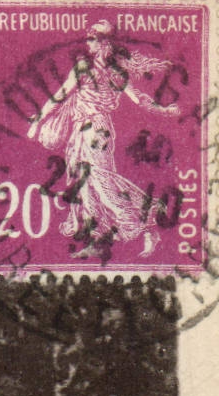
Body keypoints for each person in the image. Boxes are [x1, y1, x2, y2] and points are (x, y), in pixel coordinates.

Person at [28, 20, 180, 258]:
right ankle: (95, 237)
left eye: (92, 39)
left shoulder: (112, 72)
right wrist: (37, 120)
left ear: (104, 43)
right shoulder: (84, 69)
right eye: (88, 38)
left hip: (96, 130)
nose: (88, 42)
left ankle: (145, 226)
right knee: (83, 182)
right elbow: (60, 95)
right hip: (82, 130)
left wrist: (163, 110)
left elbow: (137, 98)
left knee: (101, 181)